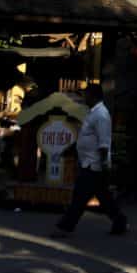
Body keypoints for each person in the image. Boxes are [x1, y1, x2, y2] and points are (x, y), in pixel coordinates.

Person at [53, 85, 127, 237]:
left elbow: (104, 143)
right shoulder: (92, 113)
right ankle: (120, 221)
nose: (84, 98)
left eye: (86, 95)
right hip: (89, 163)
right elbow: (85, 137)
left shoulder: (101, 115)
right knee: (104, 197)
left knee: (79, 198)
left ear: (93, 96)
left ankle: (65, 227)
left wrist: (104, 165)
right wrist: (70, 150)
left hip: (94, 165)